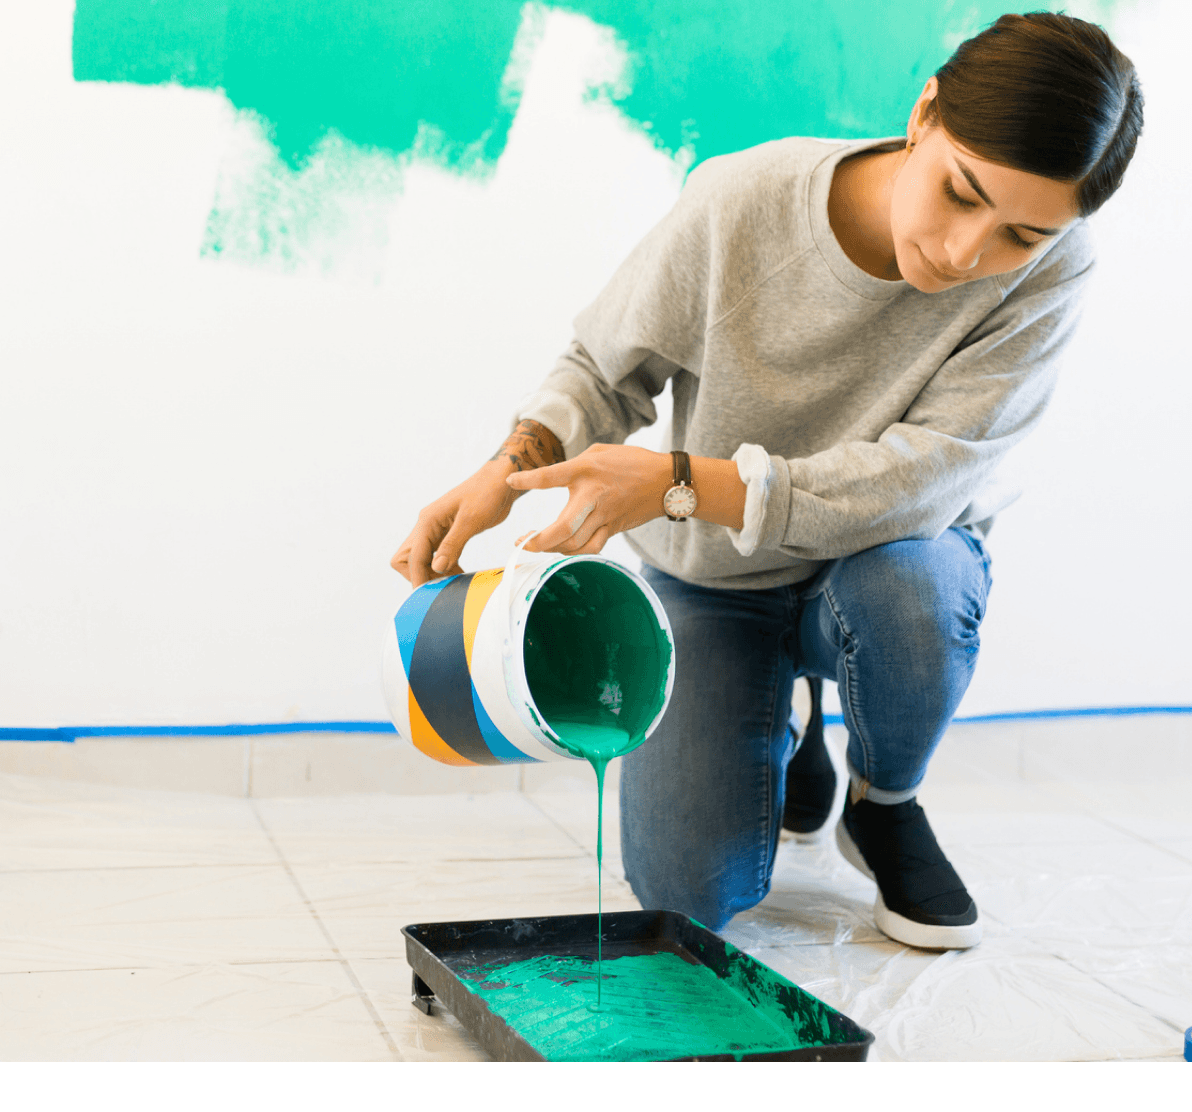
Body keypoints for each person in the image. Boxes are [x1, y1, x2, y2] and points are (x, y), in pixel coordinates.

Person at [391, 12, 1143, 949]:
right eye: (959, 193)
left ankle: (886, 799)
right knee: (681, 894)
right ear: (924, 114)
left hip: (876, 568)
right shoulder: (743, 200)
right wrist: (512, 466)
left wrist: (677, 482)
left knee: (918, 588)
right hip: (711, 580)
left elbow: (926, 479)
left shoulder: (1053, 268)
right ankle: (787, 729)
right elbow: (605, 366)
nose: (964, 253)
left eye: (1019, 235)